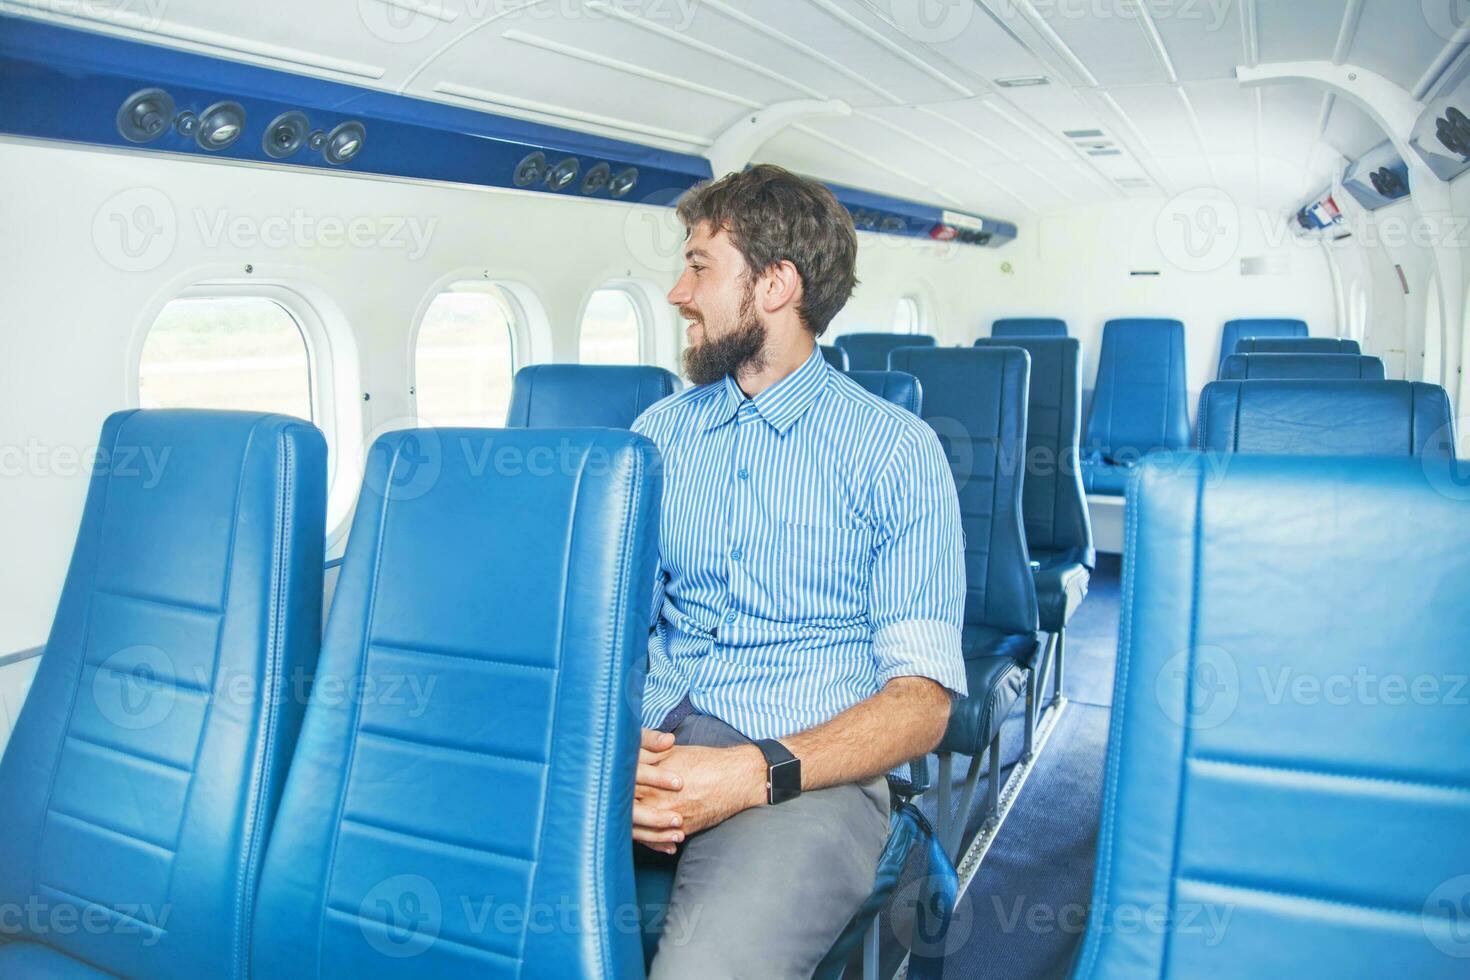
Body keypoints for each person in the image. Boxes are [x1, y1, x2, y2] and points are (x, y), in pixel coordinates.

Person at [629, 164, 966, 977]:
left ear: (776, 285)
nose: (679, 292)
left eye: (701, 266)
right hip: (645, 740)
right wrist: (606, 745)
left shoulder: (895, 452)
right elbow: (613, 630)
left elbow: (921, 708)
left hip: (804, 767)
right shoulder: (656, 433)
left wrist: (750, 772)